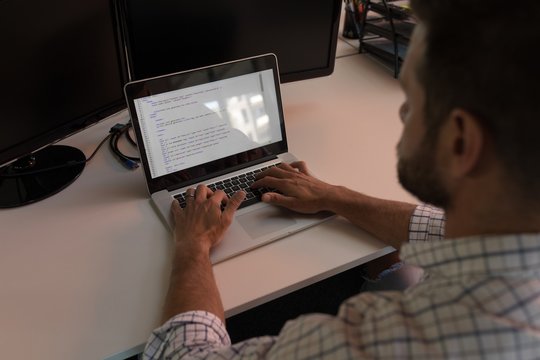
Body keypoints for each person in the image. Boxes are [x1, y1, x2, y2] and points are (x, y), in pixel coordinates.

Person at [143, 0, 540, 358]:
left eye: (412, 101)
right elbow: (439, 228)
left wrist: (193, 245)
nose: (402, 116)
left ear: (461, 141)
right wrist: (334, 196)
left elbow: (186, 354)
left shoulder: (400, 340)